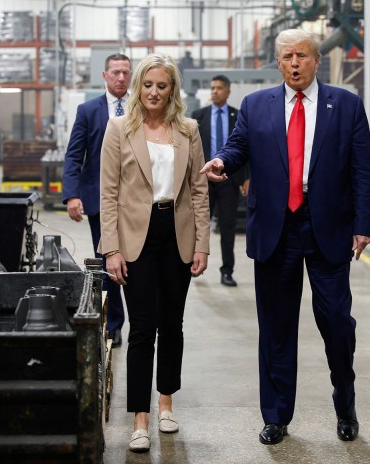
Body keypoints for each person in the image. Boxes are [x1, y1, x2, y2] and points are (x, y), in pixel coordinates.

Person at [200, 28, 370, 445]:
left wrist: (363, 223)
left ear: (317, 60)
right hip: (276, 229)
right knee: (276, 327)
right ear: (277, 63)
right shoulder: (257, 105)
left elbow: (361, 169)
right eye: (286, 57)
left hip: (327, 226)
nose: (294, 63)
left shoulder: (345, 105)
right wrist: (223, 160)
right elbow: (239, 145)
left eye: (302, 55)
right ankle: (276, 415)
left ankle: (345, 402)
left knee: (336, 321)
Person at [98, 54, 210, 453]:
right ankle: (139, 419)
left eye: (162, 86)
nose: (154, 92)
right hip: (135, 238)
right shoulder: (119, 130)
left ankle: (166, 404)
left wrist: (202, 244)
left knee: (172, 326)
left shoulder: (189, 130)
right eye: (148, 85)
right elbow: (108, 193)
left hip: (176, 234)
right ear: (137, 87)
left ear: (172, 90)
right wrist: (111, 248)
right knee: (142, 328)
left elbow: (198, 191)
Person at [63, 53, 130, 346]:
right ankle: (114, 323)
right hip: (100, 199)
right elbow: (75, 154)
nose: (121, 78)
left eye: (126, 72)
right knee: (107, 261)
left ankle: (139, 321)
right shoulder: (88, 111)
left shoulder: (141, 108)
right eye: (115, 72)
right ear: (104, 75)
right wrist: (72, 194)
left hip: (137, 200)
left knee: (136, 262)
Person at [192, 74, 247, 287]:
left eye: (219, 88)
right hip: (203, 180)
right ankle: (194, 265)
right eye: (212, 88)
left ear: (228, 91)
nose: (215, 91)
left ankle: (227, 271)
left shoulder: (238, 116)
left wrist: (247, 178)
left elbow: (246, 147)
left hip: (229, 179)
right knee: (198, 226)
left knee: (227, 226)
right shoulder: (199, 116)